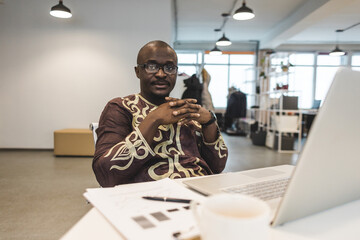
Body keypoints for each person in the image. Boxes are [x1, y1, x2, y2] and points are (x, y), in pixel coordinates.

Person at [92, 40, 228, 187]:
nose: (161, 74)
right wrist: (154, 118)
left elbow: (217, 166)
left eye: (169, 67)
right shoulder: (120, 107)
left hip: (199, 191)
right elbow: (105, 173)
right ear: (138, 71)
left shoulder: (185, 111)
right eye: (152, 66)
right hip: (149, 196)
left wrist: (209, 122)